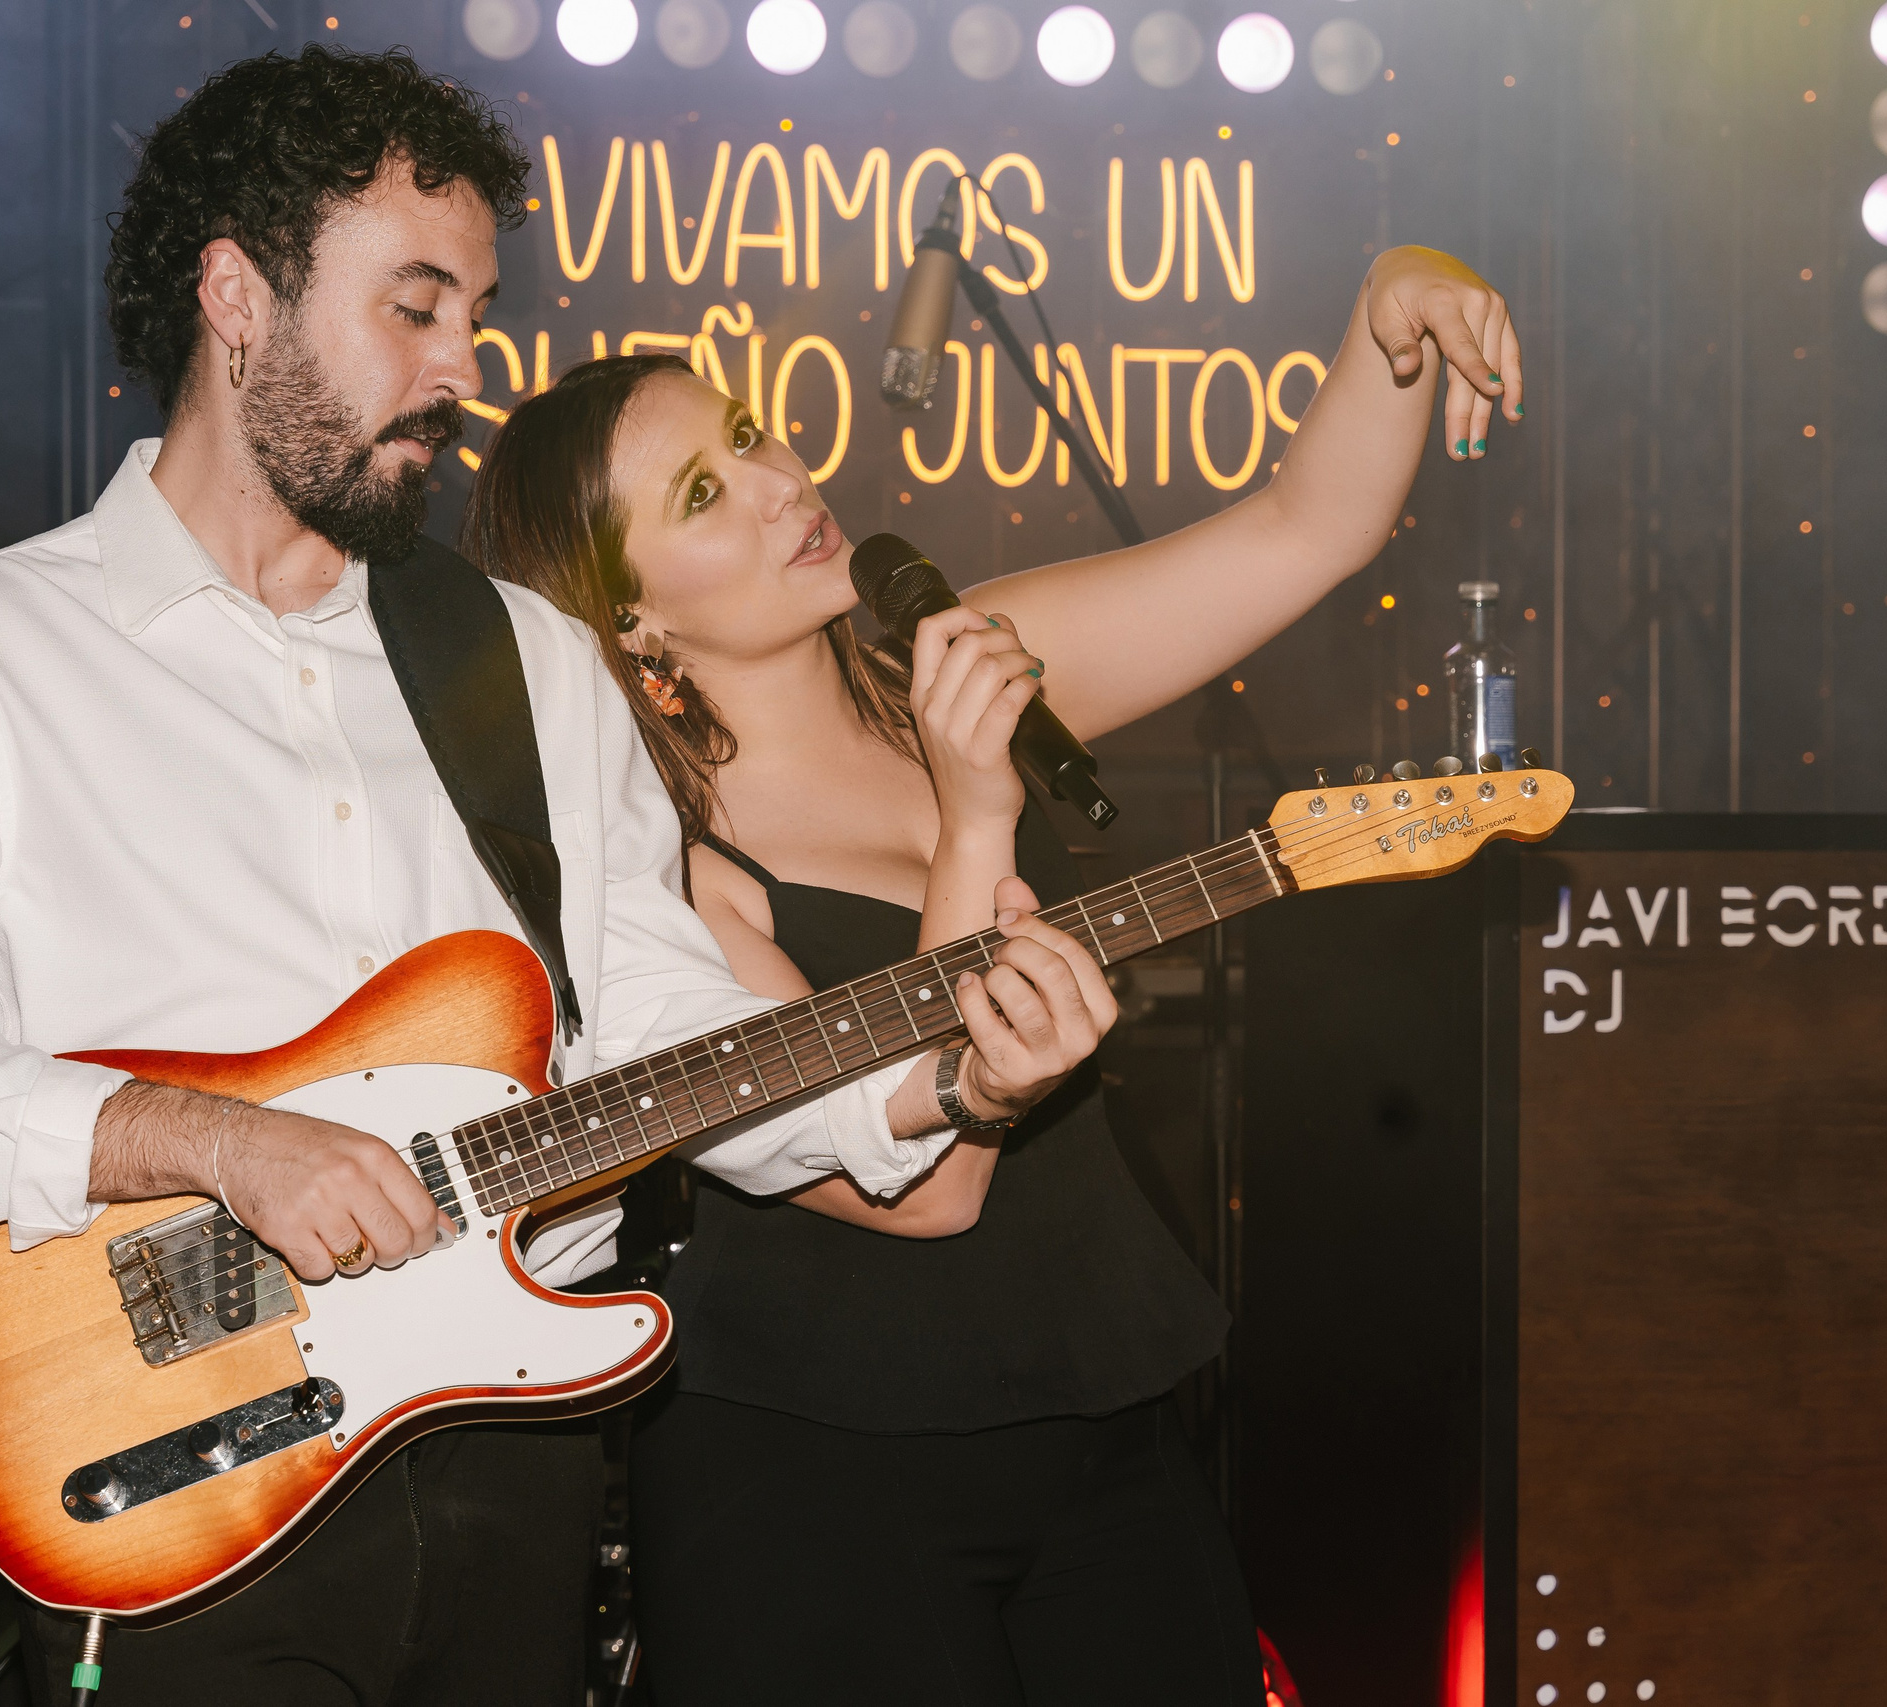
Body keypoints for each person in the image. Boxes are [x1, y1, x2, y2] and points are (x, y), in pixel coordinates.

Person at [0, 46, 1111, 1707]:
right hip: (170, 1475)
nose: (463, 361)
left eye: (473, 309)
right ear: (234, 297)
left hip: (507, 1471)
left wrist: (942, 1083)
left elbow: (651, 1018)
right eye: (415, 305)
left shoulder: (525, 660)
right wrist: (208, 1137)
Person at [467, 245, 1521, 1706]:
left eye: (751, 432)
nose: (780, 480)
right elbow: (931, 1181)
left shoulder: (949, 671)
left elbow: (1306, 526)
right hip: (818, 1487)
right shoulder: (662, 861)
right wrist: (974, 818)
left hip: (1099, 1408)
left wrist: (1387, 307)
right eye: (706, 494)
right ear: (629, 622)